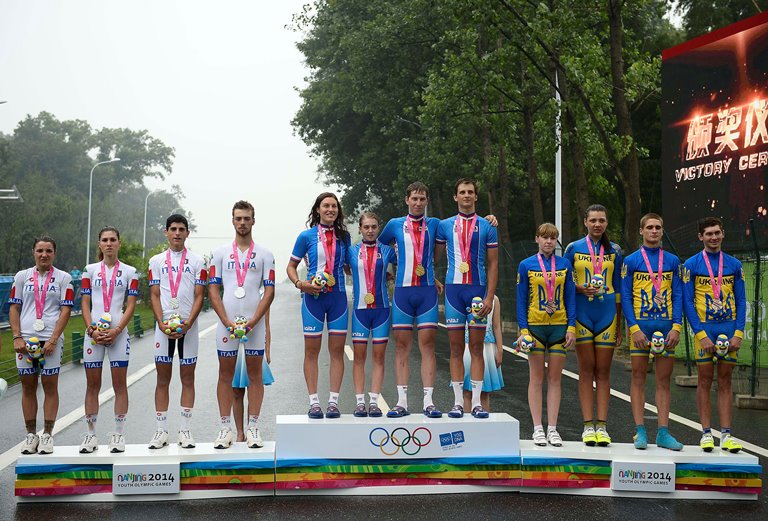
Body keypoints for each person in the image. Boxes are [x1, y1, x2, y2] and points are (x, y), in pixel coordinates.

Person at [209, 200, 275, 448]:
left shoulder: (266, 255)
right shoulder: (220, 253)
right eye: (239, 218)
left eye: (247, 218)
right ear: (233, 221)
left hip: (253, 325)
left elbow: (269, 292)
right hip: (226, 325)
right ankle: (225, 428)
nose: (243, 223)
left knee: (255, 375)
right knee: (225, 375)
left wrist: (254, 321)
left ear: (253, 221)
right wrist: (226, 321)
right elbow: (213, 290)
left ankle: (254, 427)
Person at [378, 182, 443, 418]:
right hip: (403, 293)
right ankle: (402, 401)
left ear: (427, 201)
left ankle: (429, 401)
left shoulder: (435, 224)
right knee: (402, 347)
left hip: (426, 293)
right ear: (406, 200)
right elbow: (379, 247)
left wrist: (488, 219)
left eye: (422, 199)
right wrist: (386, 271)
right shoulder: (394, 224)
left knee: (428, 346)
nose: (418, 203)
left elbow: (459, 227)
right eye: (414, 198)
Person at [682, 217, 746, 453]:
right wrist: (700, 334)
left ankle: (727, 435)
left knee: (726, 381)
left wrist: (739, 333)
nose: (714, 237)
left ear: (723, 234)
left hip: (729, 329)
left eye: (717, 233)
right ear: (701, 237)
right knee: (704, 380)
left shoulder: (734, 265)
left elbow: (741, 300)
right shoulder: (690, 265)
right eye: (708, 233)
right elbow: (688, 302)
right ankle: (706, 433)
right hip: (706, 331)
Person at [436, 178, 498, 419]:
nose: (466, 196)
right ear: (455, 197)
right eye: (462, 192)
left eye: (470, 192)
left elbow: (493, 264)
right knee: (454, 348)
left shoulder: (487, 226)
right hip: (453, 292)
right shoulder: (443, 225)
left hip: (477, 291)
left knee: (476, 348)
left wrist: (489, 297)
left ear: (476, 196)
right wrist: (433, 279)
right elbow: (433, 258)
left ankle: (477, 404)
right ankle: (457, 403)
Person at [621, 214, 684, 451]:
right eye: (650, 227)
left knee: (663, 380)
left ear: (662, 230)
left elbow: (678, 295)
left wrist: (676, 327)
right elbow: (626, 296)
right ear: (641, 231)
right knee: (638, 377)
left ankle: (663, 433)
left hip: (666, 326)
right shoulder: (631, 261)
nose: (654, 231)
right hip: (641, 326)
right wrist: (634, 328)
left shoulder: (673, 261)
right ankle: (640, 431)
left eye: (658, 227)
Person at [287, 192, 350, 419]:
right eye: (326, 206)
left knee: (336, 351)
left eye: (334, 206)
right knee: (311, 352)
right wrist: (300, 284)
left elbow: (348, 267)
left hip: (338, 299)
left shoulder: (345, 237)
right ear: (318, 210)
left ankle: (333, 402)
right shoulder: (306, 236)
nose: (330, 209)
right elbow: (291, 266)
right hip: (313, 299)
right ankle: (314, 402)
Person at [564, 204, 623, 447]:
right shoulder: (573, 248)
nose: (597, 224)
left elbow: (619, 289)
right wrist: (579, 288)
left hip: (607, 314)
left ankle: (603, 425)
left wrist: (619, 324)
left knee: (604, 371)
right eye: (593, 220)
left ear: (606, 223)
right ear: (585, 222)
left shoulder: (616, 250)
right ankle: (588, 426)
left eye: (602, 220)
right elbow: (564, 282)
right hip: (582, 314)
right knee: (586, 369)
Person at [9, 236, 74, 454]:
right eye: (40, 251)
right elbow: (14, 308)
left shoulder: (64, 278)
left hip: (51, 341)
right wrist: (17, 337)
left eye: (48, 251)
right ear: (33, 252)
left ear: (54, 253)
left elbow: (66, 310)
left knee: (50, 386)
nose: (44, 254)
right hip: (25, 340)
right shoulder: (21, 277)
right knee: (28, 387)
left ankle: (47, 435)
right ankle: (30, 435)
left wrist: (54, 339)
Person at [147, 214, 207, 449]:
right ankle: (161, 431)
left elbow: (199, 295)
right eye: (173, 229)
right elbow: (154, 294)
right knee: (163, 379)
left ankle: (185, 430)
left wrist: (189, 323)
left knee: (187, 378)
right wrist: (161, 323)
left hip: (188, 327)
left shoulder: (198, 261)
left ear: (187, 233)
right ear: (166, 232)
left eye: (182, 229)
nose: (177, 233)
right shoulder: (155, 261)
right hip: (163, 328)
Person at [79, 227, 139, 453]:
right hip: (93, 335)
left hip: (118, 335)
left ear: (119, 243)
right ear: (99, 244)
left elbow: (131, 304)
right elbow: (85, 303)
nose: (109, 243)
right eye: (105, 240)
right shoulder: (89, 270)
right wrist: (90, 329)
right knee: (92, 385)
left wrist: (117, 330)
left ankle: (118, 435)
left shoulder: (131, 272)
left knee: (119, 385)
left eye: (113, 239)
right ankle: (90, 435)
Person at [516, 223, 575, 446]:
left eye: (552, 238)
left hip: (559, 327)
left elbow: (570, 298)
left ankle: (553, 428)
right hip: (535, 328)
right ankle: (537, 428)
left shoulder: (565, 264)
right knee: (536, 378)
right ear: (537, 239)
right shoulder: (526, 265)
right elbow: (521, 300)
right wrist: (523, 331)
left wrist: (571, 327)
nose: (548, 242)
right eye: (544, 237)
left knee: (555, 379)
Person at [347, 212, 397, 417]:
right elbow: (342, 268)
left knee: (378, 357)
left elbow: (409, 263)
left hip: (382, 311)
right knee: (359, 357)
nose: (370, 230)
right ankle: (360, 402)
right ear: (360, 228)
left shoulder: (387, 250)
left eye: (373, 227)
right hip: (360, 311)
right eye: (366, 227)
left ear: (379, 228)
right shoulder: (351, 251)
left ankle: (374, 401)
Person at [233, 311, 274, 442]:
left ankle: (252, 427)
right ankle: (239, 433)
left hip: (255, 342)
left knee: (253, 386)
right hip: (234, 343)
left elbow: (266, 323)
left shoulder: (262, 294)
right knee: (236, 390)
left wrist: (267, 347)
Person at [461, 295, 504, 413]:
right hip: (468, 346)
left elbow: (496, 326)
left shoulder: (494, 300)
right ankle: (467, 426)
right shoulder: (465, 295)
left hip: (488, 347)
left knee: (485, 391)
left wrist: (500, 350)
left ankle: (484, 427)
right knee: (467, 391)